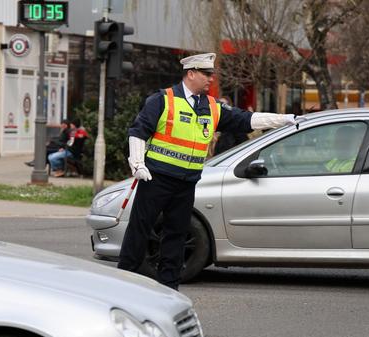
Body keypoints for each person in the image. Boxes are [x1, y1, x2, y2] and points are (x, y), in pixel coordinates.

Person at [118, 52, 305, 290]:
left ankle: (169, 289)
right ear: (191, 74)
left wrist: (281, 119)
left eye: (212, 74)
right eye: (206, 74)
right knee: (139, 231)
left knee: (175, 238)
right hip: (156, 179)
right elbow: (138, 130)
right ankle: (121, 284)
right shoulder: (163, 100)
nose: (210, 79)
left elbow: (245, 119)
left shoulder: (212, 107)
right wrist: (137, 165)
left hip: (186, 184)